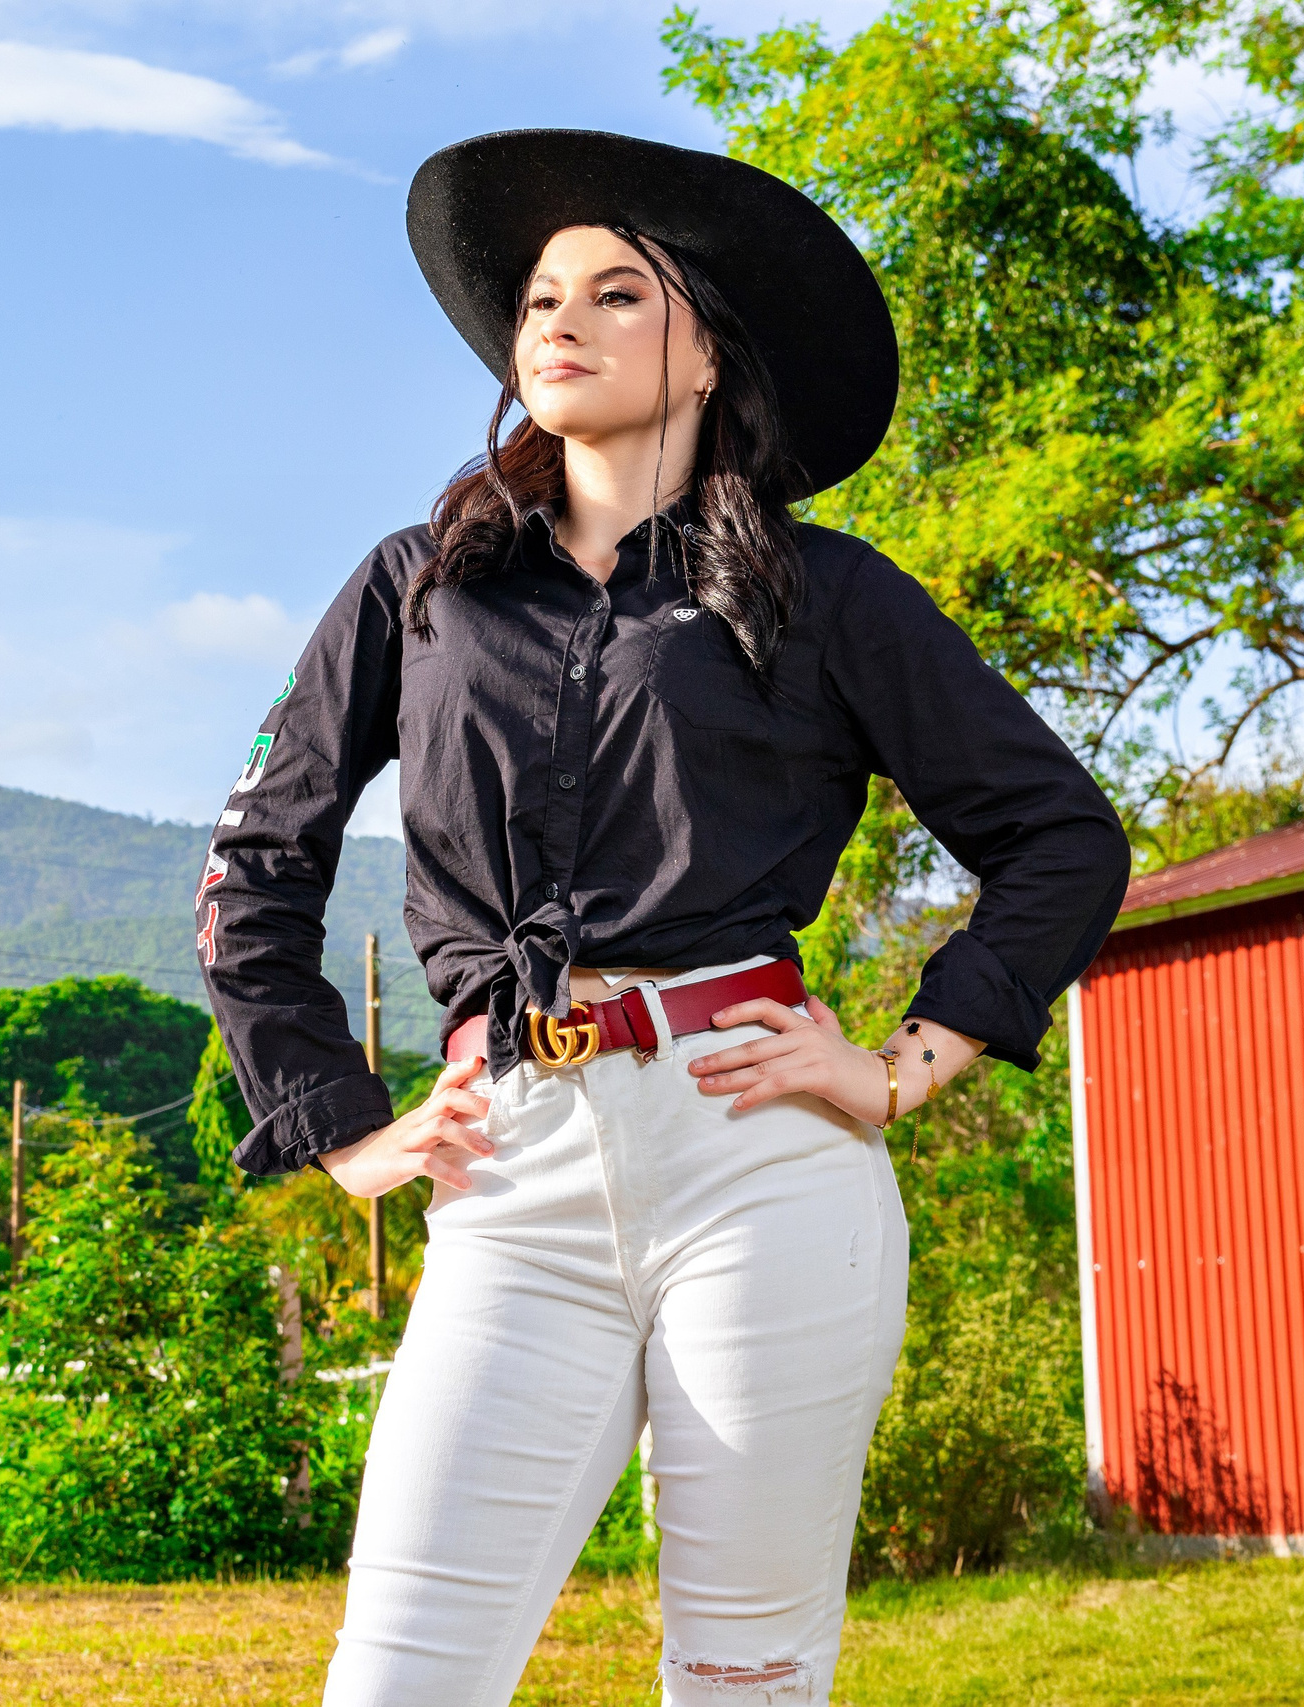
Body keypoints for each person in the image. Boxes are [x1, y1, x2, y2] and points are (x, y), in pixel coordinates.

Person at [192, 129, 1128, 1706]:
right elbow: (255, 860)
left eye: (616, 293)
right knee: (400, 1675)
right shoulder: (418, 587)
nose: (559, 319)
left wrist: (902, 1066)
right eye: (540, 298)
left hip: (761, 1163)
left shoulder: (826, 595)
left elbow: (1062, 839)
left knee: (745, 1672)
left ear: (705, 356)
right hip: (511, 1170)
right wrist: (334, 1124)